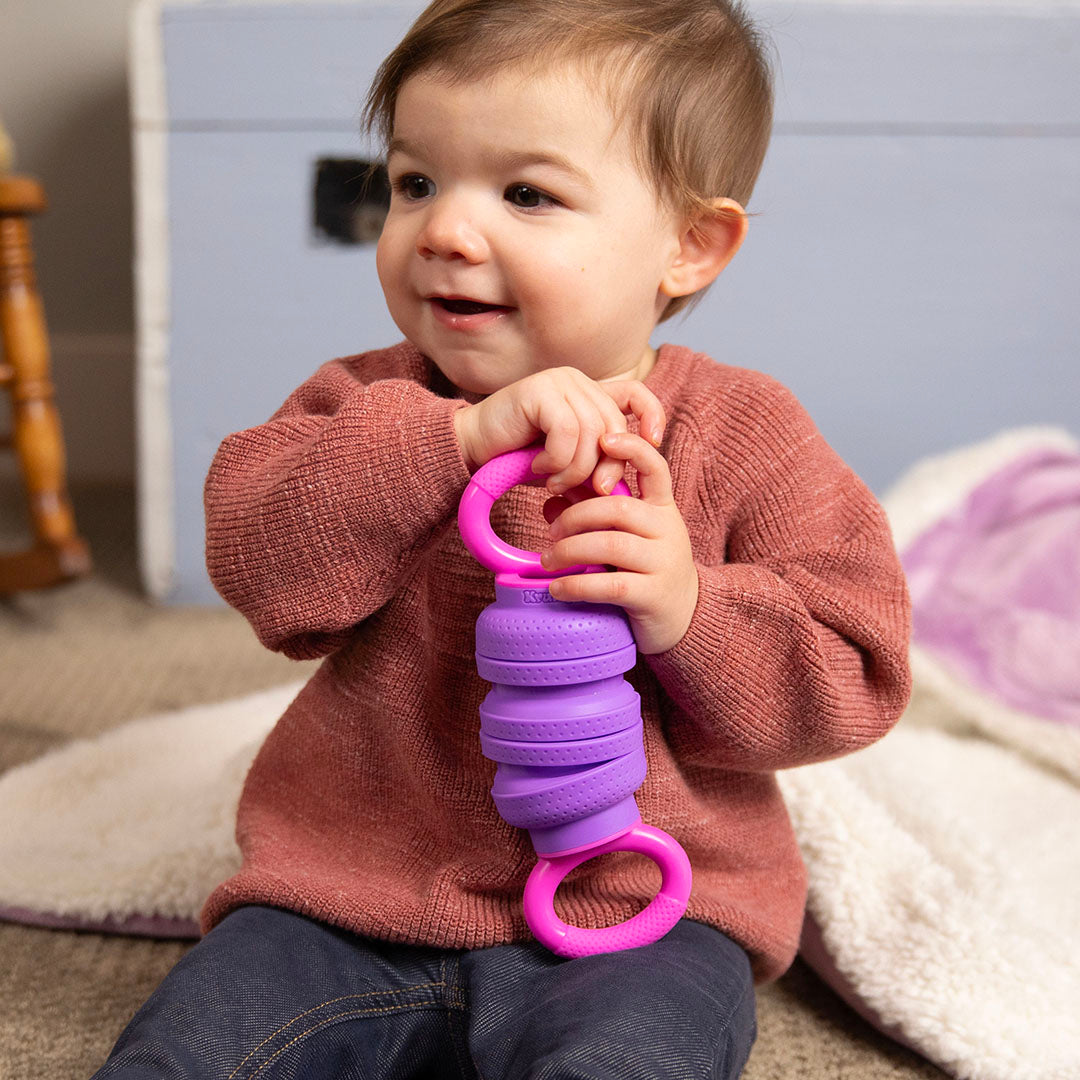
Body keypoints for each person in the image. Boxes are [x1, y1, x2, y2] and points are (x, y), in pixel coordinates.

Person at [93, 1, 911, 1077]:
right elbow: (263, 568)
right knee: (186, 1052)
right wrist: (450, 443)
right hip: (345, 895)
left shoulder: (745, 432)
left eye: (526, 193)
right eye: (415, 182)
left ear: (689, 245)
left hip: (642, 913)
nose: (441, 230)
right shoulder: (363, 405)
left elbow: (857, 668)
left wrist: (689, 608)